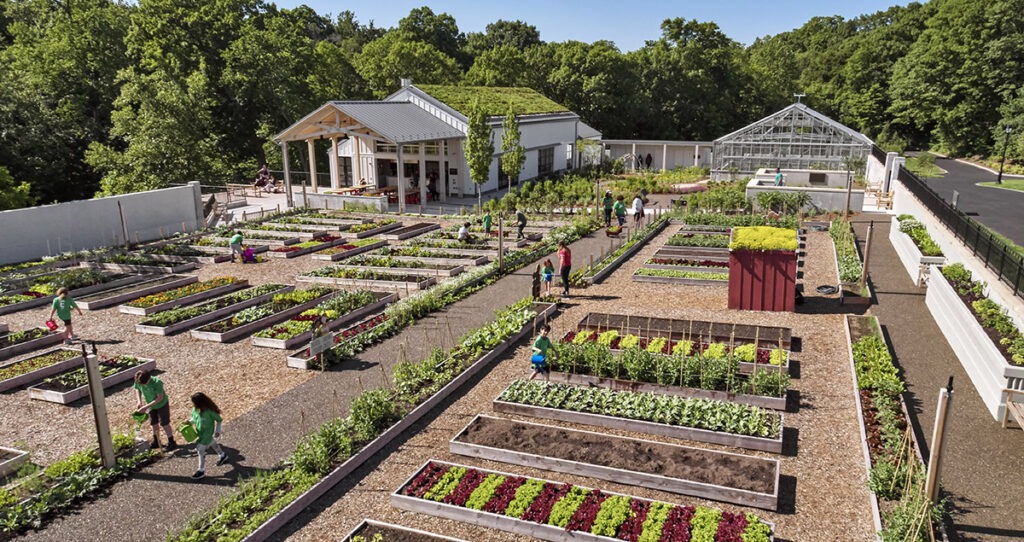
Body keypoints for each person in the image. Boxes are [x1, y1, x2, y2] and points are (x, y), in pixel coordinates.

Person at [134, 370, 177, 451]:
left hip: (161, 404)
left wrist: (146, 407)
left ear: (149, 379)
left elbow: (159, 398)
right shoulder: (139, 380)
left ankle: (171, 441)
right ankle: (156, 441)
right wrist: (139, 401)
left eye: (144, 384)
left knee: (164, 423)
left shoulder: (157, 383)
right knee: (153, 423)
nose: (142, 386)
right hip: (150, 405)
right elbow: (137, 389)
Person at [189, 392, 228, 480]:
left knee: (200, 450)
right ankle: (222, 455)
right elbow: (194, 418)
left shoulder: (209, 412)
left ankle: (201, 470)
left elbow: (219, 420)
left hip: (207, 434)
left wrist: (218, 430)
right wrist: (189, 422)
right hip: (200, 433)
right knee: (211, 442)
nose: (193, 405)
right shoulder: (195, 410)